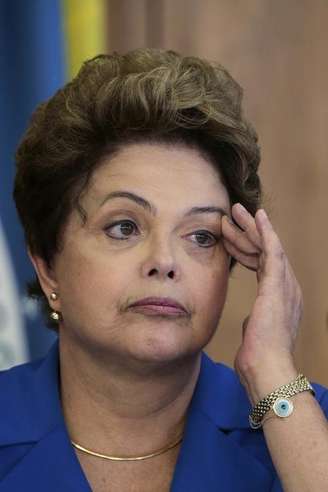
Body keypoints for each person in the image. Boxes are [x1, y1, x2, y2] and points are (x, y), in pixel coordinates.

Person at [1, 48, 327, 492]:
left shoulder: (305, 424)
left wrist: (271, 369)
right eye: (124, 227)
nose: (165, 262)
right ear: (47, 265)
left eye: (201, 236)